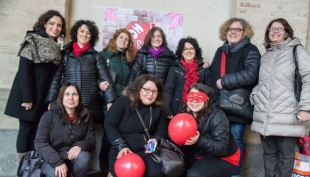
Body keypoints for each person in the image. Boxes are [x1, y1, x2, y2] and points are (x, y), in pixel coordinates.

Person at [4, 10, 67, 166]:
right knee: (26, 130)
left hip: (43, 96)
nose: (55, 28)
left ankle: (32, 167)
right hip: (29, 95)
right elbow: (24, 72)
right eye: (52, 23)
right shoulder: (32, 40)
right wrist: (27, 98)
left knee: (38, 133)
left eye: (59, 25)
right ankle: (22, 167)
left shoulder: (56, 48)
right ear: (44, 23)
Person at [250, 18, 310, 177]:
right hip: (265, 114)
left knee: (285, 155)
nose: (275, 31)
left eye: (279, 28)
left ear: (287, 32)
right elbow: (261, 82)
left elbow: (308, 78)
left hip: (287, 113)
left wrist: (305, 107)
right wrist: (255, 94)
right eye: (272, 29)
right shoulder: (266, 55)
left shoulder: (298, 51)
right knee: (268, 154)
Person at [208, 17, 261, 176]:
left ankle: (235, 175)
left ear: (244, 32)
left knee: (236, 141)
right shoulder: (221, 50)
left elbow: (251, 75)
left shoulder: (251, 50)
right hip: (218, 105)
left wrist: (225, 81)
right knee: (218, 142)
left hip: (238, 107)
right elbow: (213, 75)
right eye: (230, 29)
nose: (233, 32)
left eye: (237, 29)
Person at [45, 19, 117, 125]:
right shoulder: (65, 54)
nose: (85, 34)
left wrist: (110, 101)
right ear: (76, 33)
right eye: (82, 31)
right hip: (68, 104)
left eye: (88, 33)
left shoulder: (96, 56)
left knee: (88, 138)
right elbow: (56, 79)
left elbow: (106, 79)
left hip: (90, 106)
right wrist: (51, 100)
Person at [104, 74, 168, 177]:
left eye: (154, 91)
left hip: (146, 151)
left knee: (157, 173)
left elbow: (162, 130)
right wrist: (121, 146)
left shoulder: (158, 108)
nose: (150, 94)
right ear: (138, 89)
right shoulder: (123, 101)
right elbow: (109, 125)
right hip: (123, 151)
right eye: (147, 89)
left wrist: (156, 139)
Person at [35, 82, 96, 177]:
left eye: (74, 94)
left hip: (73, 159)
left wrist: (79, 146)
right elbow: (40, 143)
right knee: (58, 174)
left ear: (79, 97)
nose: (71, 98)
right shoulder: (48, 116)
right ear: (61, 97)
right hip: (52, 160)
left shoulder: (85, 116)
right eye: (67, 94)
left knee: (85, 157)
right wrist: (57, 162)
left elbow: (91, 140)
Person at [180, 83, 239, 177]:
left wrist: (199, 140)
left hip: (224, 157)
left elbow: (222, 147)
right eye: (191, 96)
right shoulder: (184, 112)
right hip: (199, 153)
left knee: (195, 175)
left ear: (207, 99)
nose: (194, 101)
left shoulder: (217, 116)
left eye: (199, 97)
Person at [98, 28, 135, 175]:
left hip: (123, 102)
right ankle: (104, 165)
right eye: (121, 38)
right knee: (109, 134)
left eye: (126, 39)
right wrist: (100, 85)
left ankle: (115, 166)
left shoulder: (127, 59)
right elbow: (98, 76)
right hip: (109, 101)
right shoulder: (104, 55)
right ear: (115, 38)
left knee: (120, 133)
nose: (123, 41)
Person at [165, 36, 211, 118]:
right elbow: (169, 90)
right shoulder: (175, 68)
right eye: (185, 49)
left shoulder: (203, 68)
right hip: (178, 109)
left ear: (196, 51)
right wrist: (167, 110)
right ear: (181, 52)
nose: (189, 51)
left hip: (199, 112)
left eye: (192, 48)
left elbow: (209, 91)